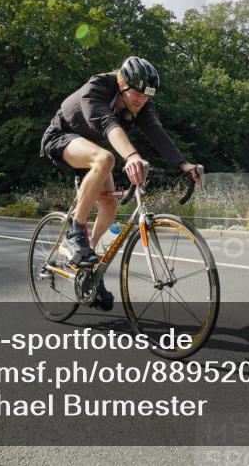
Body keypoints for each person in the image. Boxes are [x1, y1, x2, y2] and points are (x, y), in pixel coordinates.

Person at [40, 57, 201, 311]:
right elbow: (107, 124)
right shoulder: (98, 87)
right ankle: (74, 232)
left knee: (110, 205)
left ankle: (87, 266)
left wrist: (183, 164)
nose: (141, 101)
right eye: (137, 94)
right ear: (122, 82)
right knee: (106, 158)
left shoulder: (142, 105)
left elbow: (157, 133)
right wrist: (132, 156)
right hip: (60, 138)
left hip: (90, 151)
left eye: (147, 96)